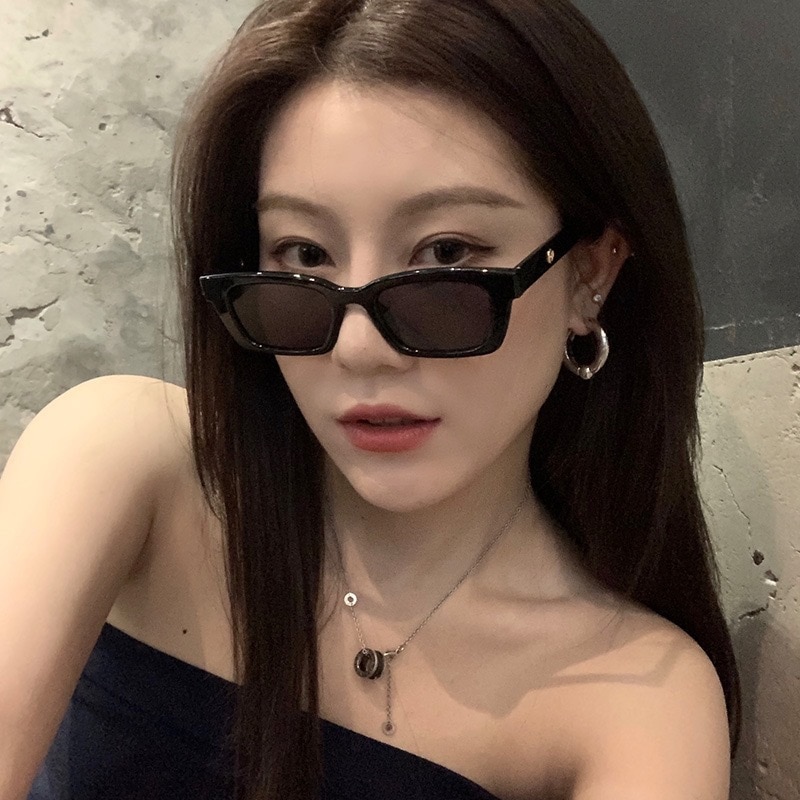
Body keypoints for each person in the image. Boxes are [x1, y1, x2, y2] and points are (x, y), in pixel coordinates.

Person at [1, 1, 742, 798]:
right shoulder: (123, 459)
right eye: (305, 254)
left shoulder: (638, 697)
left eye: (446, 252)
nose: (357, 348)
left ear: (590, 275)